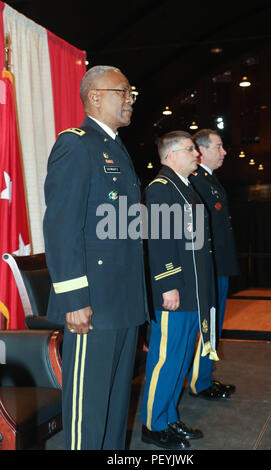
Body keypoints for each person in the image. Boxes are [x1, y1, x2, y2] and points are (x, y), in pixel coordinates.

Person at [43, 65, 149, 450]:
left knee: (114, 409)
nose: (130, 99)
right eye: (124, 91)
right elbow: (61, 227)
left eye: (130, 92)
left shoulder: (116, 148)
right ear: (95, 96)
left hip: (122, 301)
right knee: (87, 415)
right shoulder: (76, 144)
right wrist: (75, 300)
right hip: (93, 303)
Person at [141, 130, 218, 450]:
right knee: (165, 359)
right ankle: (153, 424)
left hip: (193, 291)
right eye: (190, 150)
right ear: (170, 155)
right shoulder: (160, 189)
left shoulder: (184, 187)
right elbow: (160, 243)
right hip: (176, 291)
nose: (196, 155)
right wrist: (168, 284)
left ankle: (169, 416)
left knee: (181, 357)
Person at [188, 129, 239, 399]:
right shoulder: (196, 181)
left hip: (219, 264)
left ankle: (205, 377)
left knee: (214, 324)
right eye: (218, 147)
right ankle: (200, 381)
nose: (224, 152)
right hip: (208, 266)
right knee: (206, 325)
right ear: (201, 150)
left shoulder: (210, 180)